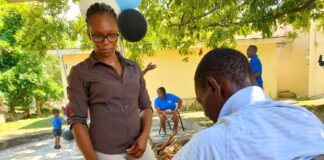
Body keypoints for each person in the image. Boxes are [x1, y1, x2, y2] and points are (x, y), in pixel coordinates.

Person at [173, 48, 324, 160]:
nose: (205, 113)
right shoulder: (308, 118)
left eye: (201, 101)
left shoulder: (212, 144)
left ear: (214, 87)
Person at [67, 3, 154, 160]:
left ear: (117, 33)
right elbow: (78, 121)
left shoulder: (134, 68)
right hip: (106, 154)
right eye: (98, 35)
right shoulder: (80, 73)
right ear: (89, 34)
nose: (106, 42)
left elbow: (146, 107)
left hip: (140, 150)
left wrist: (144, 138)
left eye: (112, 34)